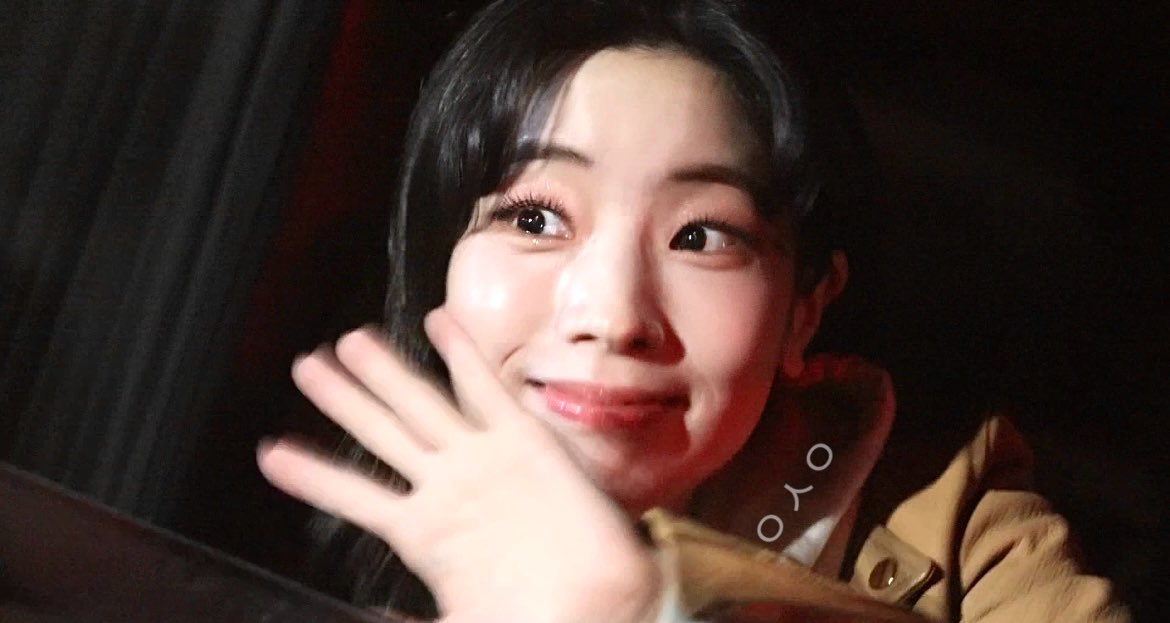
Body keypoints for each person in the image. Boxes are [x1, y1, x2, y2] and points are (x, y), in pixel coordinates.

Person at [255, 1, 1132, 621]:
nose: (612, 315)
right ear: (438, 259)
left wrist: (655, 609)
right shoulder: (280, 508)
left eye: (701, 235)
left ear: (804, 311)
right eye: (534, 219)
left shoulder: (968, 534)